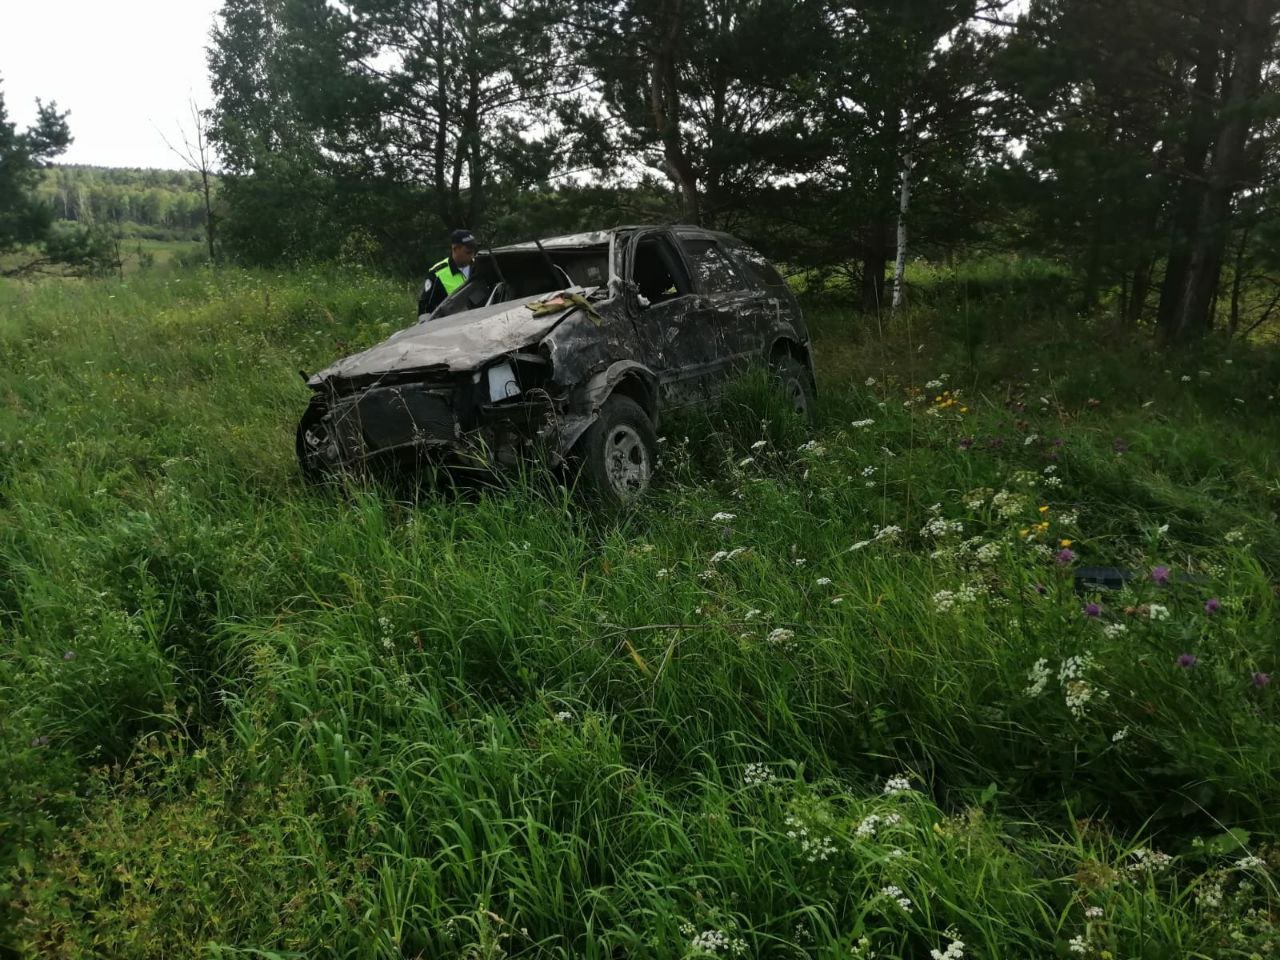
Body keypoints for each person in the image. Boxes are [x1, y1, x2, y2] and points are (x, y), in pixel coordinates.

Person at [418, 229, 478, 320]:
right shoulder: (437, 274)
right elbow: (425, 309)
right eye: (468, 252)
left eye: (474, 252)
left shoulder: (479, 266)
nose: (472, 256)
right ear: (455, 249)